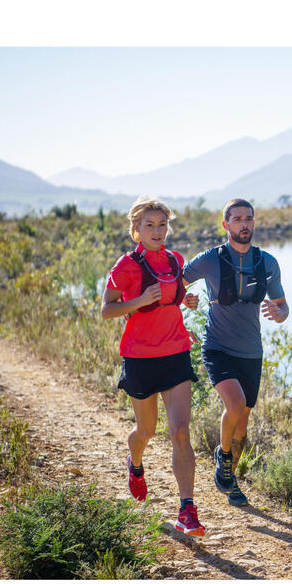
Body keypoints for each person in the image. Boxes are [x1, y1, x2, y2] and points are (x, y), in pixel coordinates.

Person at [100, 195, 205, 536]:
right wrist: (139, 300)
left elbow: (173, 296)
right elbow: (107, 310)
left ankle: (187, 510)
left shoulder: (175, 260)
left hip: (175, 351)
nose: (157, 231)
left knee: (180, 432)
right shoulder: (126, 266)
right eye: (150, 225)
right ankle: (135, 463)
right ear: (136, 230)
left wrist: (185, 300)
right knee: (146, 432)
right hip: (141, 356)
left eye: (162, 224)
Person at [183, 198, 289, 507]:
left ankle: (231, 478)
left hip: (251, 352)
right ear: (226, 224)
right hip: (217, 347)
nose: (245, 224)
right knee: (236, 403)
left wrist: (280, 313)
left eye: (249, 219)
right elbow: (176, 282)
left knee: (242, 425)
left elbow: (283, 305)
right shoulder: (210, 259)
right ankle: (223, 459)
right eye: (238, 219)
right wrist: (185, 300)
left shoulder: (266, 262)